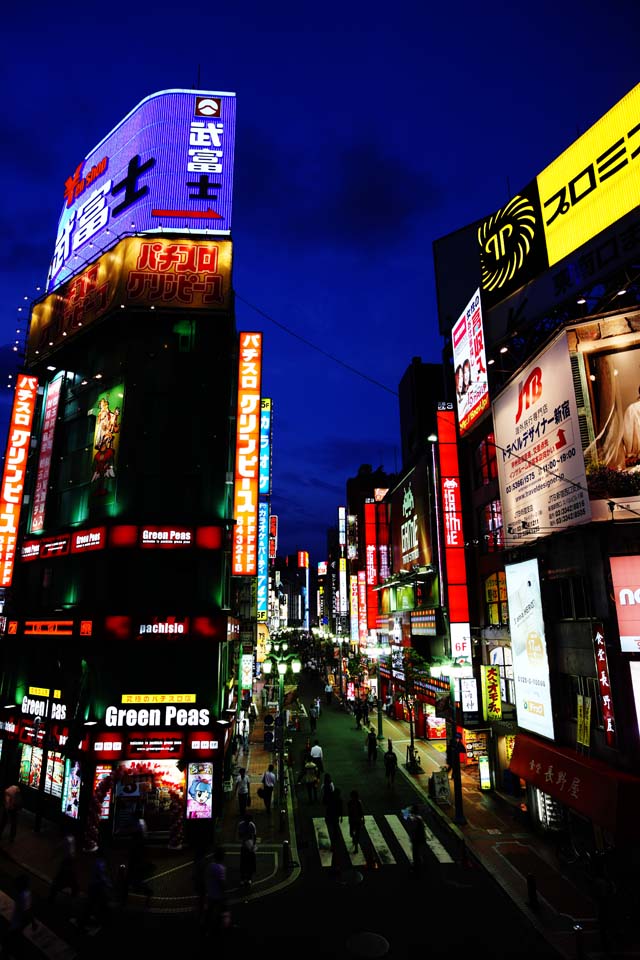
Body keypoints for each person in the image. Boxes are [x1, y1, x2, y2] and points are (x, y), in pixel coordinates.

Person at [48, 830, 79, 904]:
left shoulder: (66, 839)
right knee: (71, 877)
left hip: (67, 861)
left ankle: (52, 897)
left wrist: (52, 856)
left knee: (60, 879)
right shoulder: (72, 838)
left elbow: (58, 848)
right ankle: (74, 893)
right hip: (70, 860)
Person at [203, 847, 227, 936]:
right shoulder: (221, 868)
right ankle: (217, 932)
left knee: (209, 913)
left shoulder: (210, 866)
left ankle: (207, 930)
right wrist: (224, 895)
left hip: (210, 894)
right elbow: (222, 884)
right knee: (218, 914)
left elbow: (206, 879)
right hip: (218, 896)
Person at [406, 804, 428, 873]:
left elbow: (414, 830)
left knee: (415, 852)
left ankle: (416, 866)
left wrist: (412, 837)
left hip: (417, 839)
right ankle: (419, 863)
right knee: (417, 851)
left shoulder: (415, 819)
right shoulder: (419, 818)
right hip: (420, 838)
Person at [238, 812, 257, 889]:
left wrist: (253, 845)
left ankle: (249, 878)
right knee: (243, 862)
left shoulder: (252, 825)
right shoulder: (241, 825)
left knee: (250, 863)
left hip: (249, 845)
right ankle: (243, 878)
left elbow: (254, 836)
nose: (248, 822)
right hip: (244, 845)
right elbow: (239, 835)